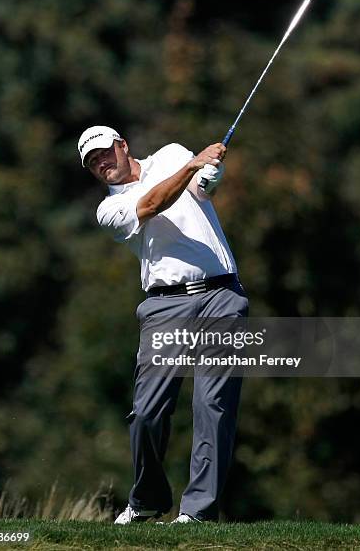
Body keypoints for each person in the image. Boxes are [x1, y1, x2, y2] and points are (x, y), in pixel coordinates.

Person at [78, 125, 249, 524]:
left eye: (104, 152)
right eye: (91, 162)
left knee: (213, 406)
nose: (101, 163)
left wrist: (207, 176)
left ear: (122, 146)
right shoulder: (109, 209)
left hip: (221, 295)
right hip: (164, 306)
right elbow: (154, 203)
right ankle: (147, 499)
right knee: (147, 412)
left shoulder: (172, 154)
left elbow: (199, 193)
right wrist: (193, 166)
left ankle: (199, 511)